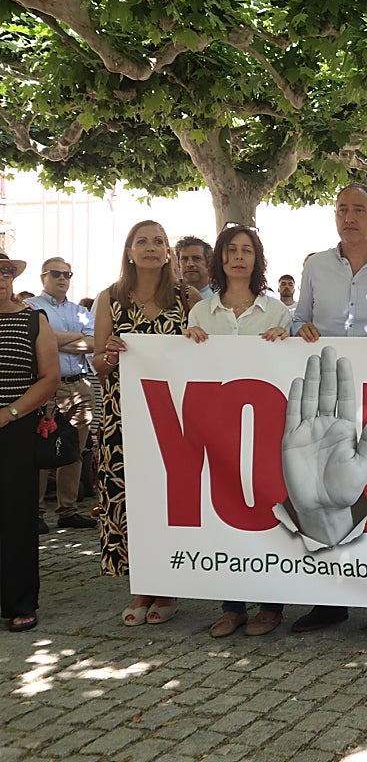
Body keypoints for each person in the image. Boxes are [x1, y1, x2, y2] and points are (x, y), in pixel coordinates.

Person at [290, 183, 367, 635]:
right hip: (327, 392)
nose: (350, 216)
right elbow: (298, 316)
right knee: (326, 491)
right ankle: (329, 601)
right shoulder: (316, 266)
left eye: (359, 209)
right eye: (342, 208)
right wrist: (300, 327)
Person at [183, 225, 292, 637]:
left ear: (256, 259)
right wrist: (187, 343)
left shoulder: (277, 313)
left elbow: (290, 367)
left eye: (247, 250)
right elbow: (188, 370)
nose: (238, 257)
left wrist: (287, 339)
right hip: (219, 435)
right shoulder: (200, 314)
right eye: (231, 251)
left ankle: (271, 606)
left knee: (267, 511)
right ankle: (232, 606)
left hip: (266, 434)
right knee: (224, 513)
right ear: (221, 259)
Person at [94, 221, 202, 626]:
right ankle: (142, 585)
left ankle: (169, 586)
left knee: (168, 497)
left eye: (159, 241)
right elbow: (99, 365)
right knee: (132, 499)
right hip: (124, 417)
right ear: (129, 251)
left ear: (168, 252)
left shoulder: (186, 297)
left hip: (174, 417)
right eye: (143, 241)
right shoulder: (110, 298)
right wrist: (111, 353)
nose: (151, 248)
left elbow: (203, 352)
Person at [0, 252, 60, 632]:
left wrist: (9, 414)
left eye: (6, 271)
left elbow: (49, 376)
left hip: (16, 429)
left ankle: (20, 601)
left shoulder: (33, 319)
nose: (2, 277)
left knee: (17, 518)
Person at [25, 257, 98, 532]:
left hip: (80, 385)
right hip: (48, 386)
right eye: (56, 273)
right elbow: (42, 340)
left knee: (75, 450)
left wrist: (57, 338)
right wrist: (72, 338)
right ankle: (36, 511)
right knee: (43, 450)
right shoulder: (31, 307)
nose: (62, 278)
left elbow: (94, 342)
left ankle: (68, 510)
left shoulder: (80, 311)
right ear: (43, 277)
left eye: (67, 273)